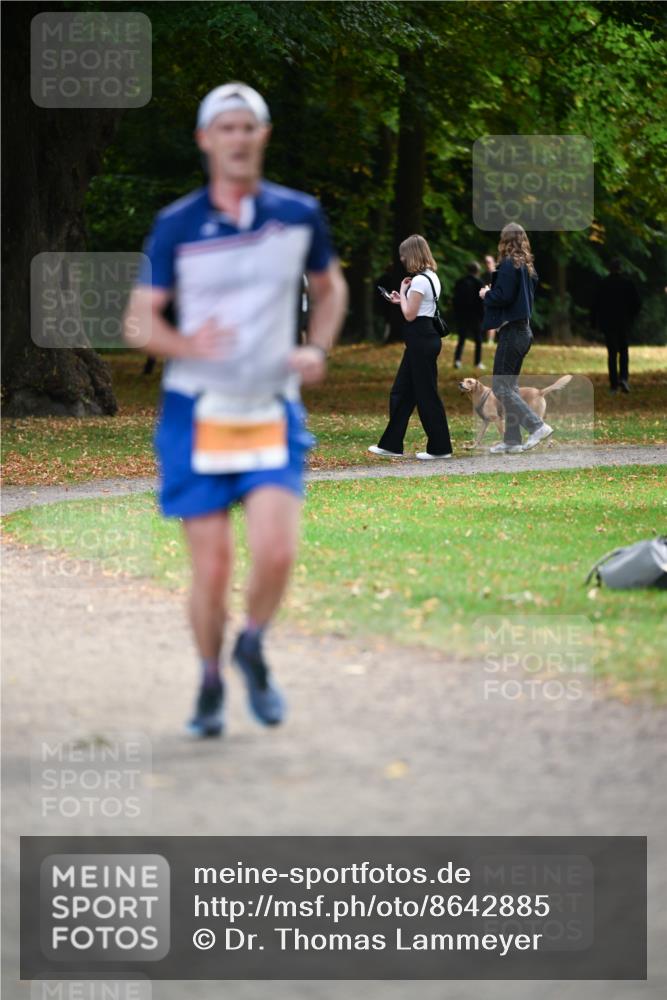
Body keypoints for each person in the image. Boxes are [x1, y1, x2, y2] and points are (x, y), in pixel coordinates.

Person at [124, 82, 347, 737]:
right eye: (225, 128)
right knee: (213, 566)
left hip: (271, 408)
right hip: (197, 413)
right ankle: (210, 681)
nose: (238, 138)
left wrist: (318, 348)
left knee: (276, 552)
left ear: (263, 137)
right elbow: (140, 321)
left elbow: (330, 291)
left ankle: (250, 644)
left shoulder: (298, 214)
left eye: (248, 127)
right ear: (205, 140)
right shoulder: (177, 224)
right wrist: (187, 343)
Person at [368, 234, 452, 461]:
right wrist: (401, 298)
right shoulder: (431, 277)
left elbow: (409, 314)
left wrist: (403, 294)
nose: (402, 259)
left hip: (421, 339)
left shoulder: (420, 281)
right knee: (402, 392)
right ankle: (391, 444)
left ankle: (440, 447)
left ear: (412, 254)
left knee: (426, 394)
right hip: (423, 338)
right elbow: (416, 307)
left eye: (404, 255)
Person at [480, 223, 551, 454]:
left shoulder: (510, 264)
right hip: (524, 331)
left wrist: (487, 294)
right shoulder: (527, 267)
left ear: (504, 240)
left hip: (513, 332)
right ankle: (512, 440)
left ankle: (537, 426)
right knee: (509, 386)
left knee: (501, 388)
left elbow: (504, 296)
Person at [591, 258, 641, 393]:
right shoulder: (628, 284)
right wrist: (631, 318)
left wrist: (594, 322)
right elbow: (636, 304)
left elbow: (595, 305)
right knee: (624, 351)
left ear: (609, 268)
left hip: (608, 324)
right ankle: (624, 378)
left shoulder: (603, 284)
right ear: (620, 268)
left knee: (612, 353)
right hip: (623, 323)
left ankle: (613, 384)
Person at [452, 261, 485, 369]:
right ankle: (478, 362)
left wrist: (457, 313)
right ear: (477, 271)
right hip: (475, 315)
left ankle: (457, 360)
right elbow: (482, 301)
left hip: (462, 314)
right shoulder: (479, 283)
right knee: (478, 340)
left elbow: (455, 299)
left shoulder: (460, 282)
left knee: (461, 339)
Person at [483, 253, 498, 344]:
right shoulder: (484, 275)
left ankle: (490, 340)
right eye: (486, 262)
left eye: (488, 262)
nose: (487, 264)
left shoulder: (497, 274)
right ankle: (489, 340)